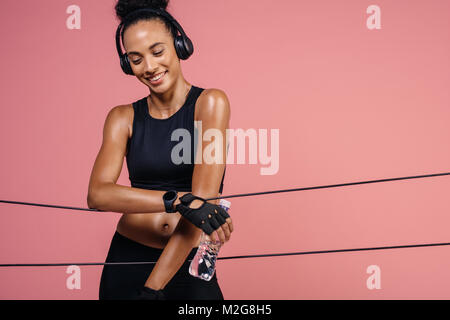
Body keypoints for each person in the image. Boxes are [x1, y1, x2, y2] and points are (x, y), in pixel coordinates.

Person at [87, 0, 233, 300]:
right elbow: (98, 195)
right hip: (127, 260)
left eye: (157, 51)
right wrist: (179, 200)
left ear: (179, 44)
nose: (150, 67)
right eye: (136, 58)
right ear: (127, 64)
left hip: (186, 260)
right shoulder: (121, 118)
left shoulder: (210, 104)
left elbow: (201, 211)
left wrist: (153, 289)